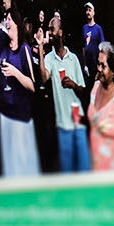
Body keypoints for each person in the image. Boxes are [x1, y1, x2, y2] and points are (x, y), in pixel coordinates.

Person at [0, 10, 40, 177]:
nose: (6, 22)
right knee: (10, 164)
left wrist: (15, 73)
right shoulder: (3, 43)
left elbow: (32, 85)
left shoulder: (24, 49)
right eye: (5, 19)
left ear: (17, 25)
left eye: (9, 20)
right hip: (6, 116)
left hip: (20, 117)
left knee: (23, 164)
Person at [37, 12, 89, 172]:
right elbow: (44, 78)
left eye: (52, 29)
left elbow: (83, 90)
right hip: (62, 125)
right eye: (48, 30)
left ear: (60, 32)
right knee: (67, 171)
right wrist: (40, 47)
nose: (49, 33)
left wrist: (73, 84)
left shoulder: (73, 59)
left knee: (84, 169)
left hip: (78, 122)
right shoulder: (49, 59)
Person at [87, 43, 114, 171]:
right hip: (95, 167)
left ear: (113, 72)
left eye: (103, 66)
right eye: (98, 64)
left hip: (113, 170)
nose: (99, 69)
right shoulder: (95, 88)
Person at [79, 1, 105, 73]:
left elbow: (102, 47)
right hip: (88, 65)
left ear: (93, 13)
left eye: (90, 10)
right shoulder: (84, 28)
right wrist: (85, 65)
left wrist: (100, 64)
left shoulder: (98, 28)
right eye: (86, 10)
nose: (88, 12)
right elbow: (83, 47)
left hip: (96, 64)